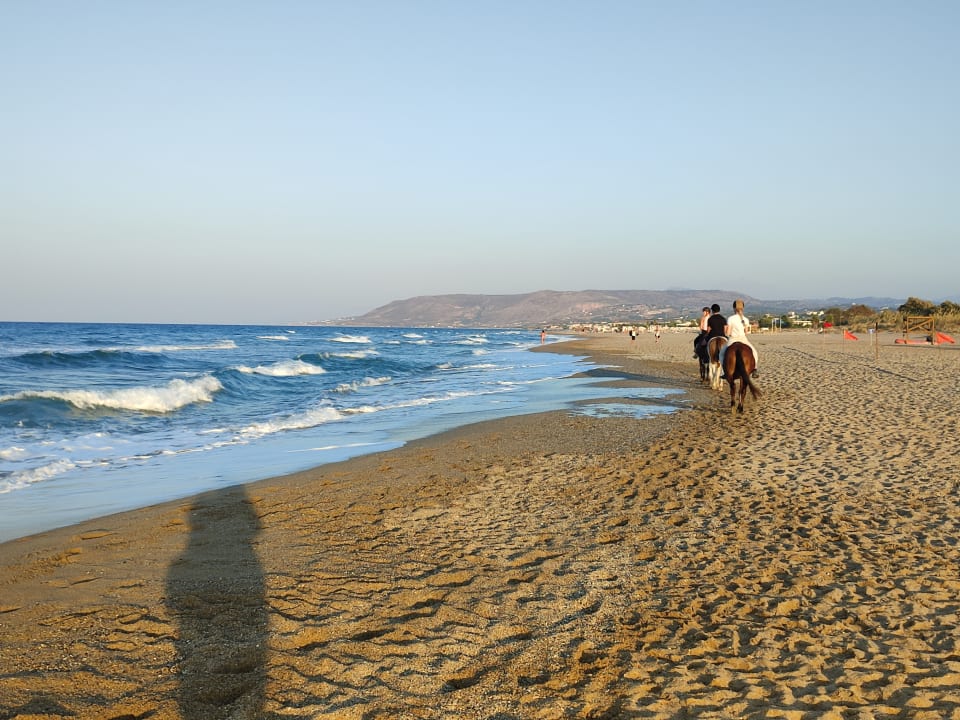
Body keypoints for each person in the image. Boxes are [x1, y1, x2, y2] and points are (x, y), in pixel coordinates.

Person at [718, 299, 759, 378]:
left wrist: (726, 333)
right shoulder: (746, 319)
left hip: (732, 339)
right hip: (743, 339)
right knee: (754, 352)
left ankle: (724, 372)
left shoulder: (730, 318)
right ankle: (755, 369)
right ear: (743, 308)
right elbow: (746, 332)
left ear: (734, 308)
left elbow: (728, 333)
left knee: (721, 354)